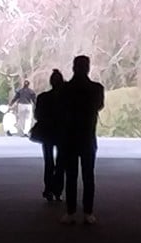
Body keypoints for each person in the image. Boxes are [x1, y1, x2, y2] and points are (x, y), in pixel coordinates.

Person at [58, 55, 104, 225]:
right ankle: (88, 212)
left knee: (70, 175)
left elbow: (60, 108)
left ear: (73, 68)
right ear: (88, 68)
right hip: (87, 136)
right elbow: (99, 105)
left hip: (69, 136)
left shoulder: (65, 88)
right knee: (88, 176)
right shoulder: (97, 88)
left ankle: (70, 212)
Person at [30, 69, 66, 202]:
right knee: (61, 163)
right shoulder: (67, 99)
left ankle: (48, 188)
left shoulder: (43, 97)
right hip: (63, 132)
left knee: (49, 161)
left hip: (47, 132)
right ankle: (58, 190)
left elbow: (37, 115)